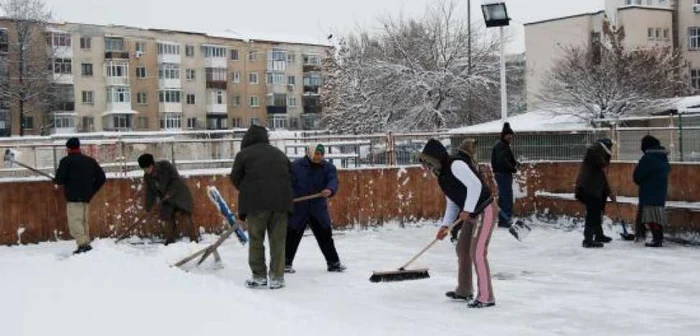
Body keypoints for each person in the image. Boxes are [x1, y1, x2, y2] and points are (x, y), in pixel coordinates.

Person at [419, 138, 497, 309]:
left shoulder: (455, 165)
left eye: (426, 163)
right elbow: (453, 203)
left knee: (477, 252)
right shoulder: (442, 177)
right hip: (470, 213)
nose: (426, 168)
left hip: (485, 209)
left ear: (434, 159)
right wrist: (445, 226)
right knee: (462, 249)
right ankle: (464, 290)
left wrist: (468, 209)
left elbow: (476, 185)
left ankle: (486, 297)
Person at [231, 125, 293, 290]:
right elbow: (291, 175)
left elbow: (235, 178)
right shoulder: (279, 154)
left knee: (256, 239)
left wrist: (249, 189)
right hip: (281, 203)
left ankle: (259, 276)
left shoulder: (243, 155)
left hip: (256, 204)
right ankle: (277, 277)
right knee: (278, 240)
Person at [285, 143, 346, 274]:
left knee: (325, 235)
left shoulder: (328, 167)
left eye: (321, 154)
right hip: (299, 208)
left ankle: (333, 263)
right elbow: (287, 182)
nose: (319, 157)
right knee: (291, 236)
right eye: (316, 154)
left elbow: (332, 180)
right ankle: (286, 263)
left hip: (317, 208)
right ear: (310, 153)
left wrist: (329, 189)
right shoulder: (296, 166)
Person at [54, 137, 106, 254]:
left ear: (68, 149)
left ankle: (83, 244)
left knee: (75, 222)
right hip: (86, 197)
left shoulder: (65, 161)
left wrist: (56, 179)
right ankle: (86, 243)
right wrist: (92, 190)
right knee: (83, 221)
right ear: (78, 147)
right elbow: (102, 177)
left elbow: (59, 180)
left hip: (73, 197)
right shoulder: (90, 161)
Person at [138, 153, 198, 245]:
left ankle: (194, 239)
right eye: (143, 169)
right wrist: (148, 207)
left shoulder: (165, 166)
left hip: (179, 194)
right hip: (166, 200)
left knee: (185, 215)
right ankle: (170, 240)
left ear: (151, 165)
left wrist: (169, 193)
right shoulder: (147, 177)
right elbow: (150, 192)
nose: (145, 171)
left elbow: (175, 180)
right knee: (167, 217)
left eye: (146, 168)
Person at [575, 138, 615, 248]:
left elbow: (603, 177)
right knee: (593, 213)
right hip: (589, 189)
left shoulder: (602, 155)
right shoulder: (594, 152)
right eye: (610, 147)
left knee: (597, 212)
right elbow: (599, 163)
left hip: (597, 189)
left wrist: (608, 192)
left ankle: (598, 235)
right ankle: (588, 239)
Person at [633, 135, 670, 248]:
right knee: (657, 216)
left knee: (650, 217)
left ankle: (657, 239)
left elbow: (637, 176)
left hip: (649, 192)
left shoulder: (648, 158)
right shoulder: (663, 157)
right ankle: (658, 237)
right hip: (660, 192)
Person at [491, 122, 519, 229]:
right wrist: (513, 168)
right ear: (504, 135)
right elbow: (502, 161)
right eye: (509, 135)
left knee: (504, 197)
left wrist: (515, 164)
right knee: (506, 197)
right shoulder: (501, 146)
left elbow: (509, 159)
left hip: (503, 174)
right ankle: (506, 219)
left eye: (511, 135)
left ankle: (504, 220)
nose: (510, 137)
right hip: (502, 175)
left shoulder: (504, 145)